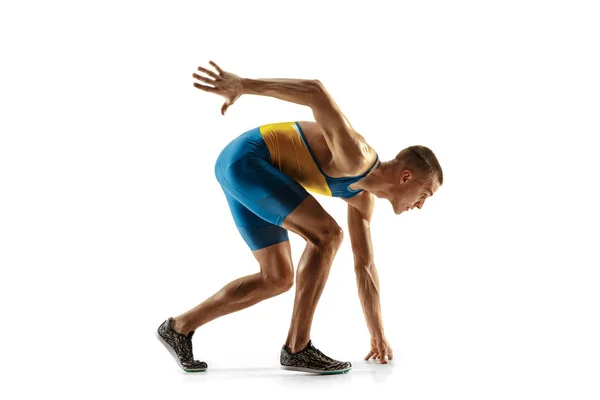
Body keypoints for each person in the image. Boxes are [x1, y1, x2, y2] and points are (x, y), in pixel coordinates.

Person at [156, 61, 443, 374]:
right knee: (328, 235)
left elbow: (365, 267)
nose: (420, 205)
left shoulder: (361, 200)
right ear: (406, 177)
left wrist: (378, 334)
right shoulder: (357, 155)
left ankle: (178, 327)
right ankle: (297, 348)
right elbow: (315, 91)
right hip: (247, 160)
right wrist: (245, 84)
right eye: (425, 194)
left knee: (276, 278)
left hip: (253, 176)